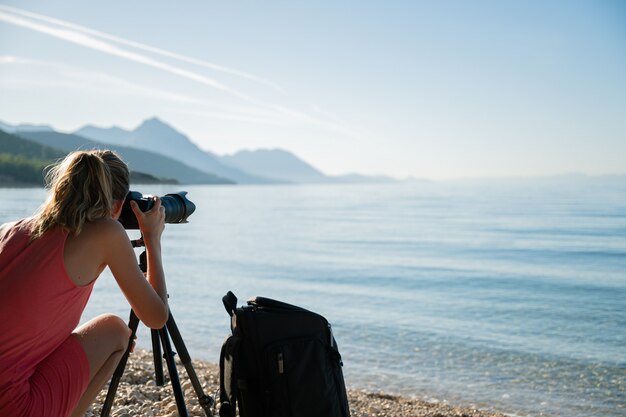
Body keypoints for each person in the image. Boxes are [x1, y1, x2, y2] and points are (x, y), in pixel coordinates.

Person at [0, 150, 169, 417]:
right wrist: (152, 240)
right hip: (13, 406)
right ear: (118, 206)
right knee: (116, 330)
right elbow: (156, 317)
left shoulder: (11, 230)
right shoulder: (106, 232)